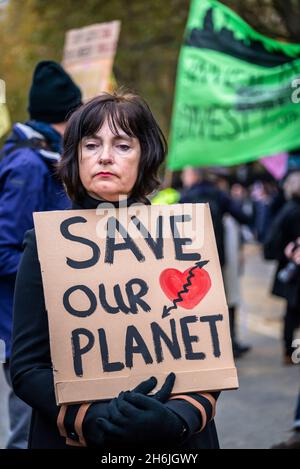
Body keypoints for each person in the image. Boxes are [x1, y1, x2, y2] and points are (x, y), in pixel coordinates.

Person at [10, 91, 221, 450]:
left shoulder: (185, 237)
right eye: (91, 145)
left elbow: (209, 351)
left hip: (171, 444)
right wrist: (91, 418)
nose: (105, 156)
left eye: (123, 145)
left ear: (146, 156)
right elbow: (27, 368)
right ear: (75, 157)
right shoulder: (43, 244)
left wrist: (176, 419)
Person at [0, 60, 82, 449]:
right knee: (27, 435)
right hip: (23, 333)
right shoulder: (29, 165)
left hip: (43, 327)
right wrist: (64, 273)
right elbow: (3, 251)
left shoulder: (39, 156)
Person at [264, 171, 300, 365]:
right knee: (292, 315)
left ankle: (290, 352)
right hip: (294, 273)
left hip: (289, 270)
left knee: (291, 313)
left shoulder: (289, 208)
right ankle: (290, 353)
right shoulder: (295, 211)